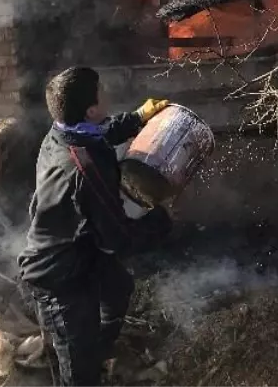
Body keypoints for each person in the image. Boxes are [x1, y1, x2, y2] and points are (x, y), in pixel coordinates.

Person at [18, 66, 170, 387]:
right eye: (102, 91)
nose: (107, 93)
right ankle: (85, 359)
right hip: (58, 276)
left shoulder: (63, 131)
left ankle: (99, 347)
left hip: (80, 246)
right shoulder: (85, 169)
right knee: (78, 370)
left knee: (118, 289)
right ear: (90, 108)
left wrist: (137, 117)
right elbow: (118, 239)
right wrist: (160, 219)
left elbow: (100, 132)